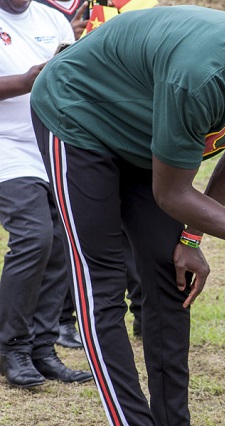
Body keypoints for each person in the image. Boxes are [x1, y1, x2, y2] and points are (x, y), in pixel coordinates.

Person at [30, 6, 225, 425]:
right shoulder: (200, 79)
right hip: (80, 114)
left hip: (147, 132)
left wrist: (191, 238)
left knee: (170, 279)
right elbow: (172, 192)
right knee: (101, 284)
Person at [32, 0, 144, 349]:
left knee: (129, 233)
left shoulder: (141, 5)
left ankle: (141, 312)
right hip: (72, 127)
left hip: (121, 125)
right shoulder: (59, 9)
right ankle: (65, 319)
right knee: (74, 233)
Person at [0, 0, 92, 388]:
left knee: (61, 243)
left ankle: (42, 347)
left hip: (52, 145)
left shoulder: (54, 20)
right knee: (35, 237)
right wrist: (27, 80)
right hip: (6, 146)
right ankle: (12, 348)